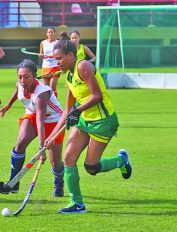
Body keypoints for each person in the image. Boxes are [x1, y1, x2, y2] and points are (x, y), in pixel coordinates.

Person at [44, 40, 132, 214]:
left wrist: (77, 110)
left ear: (71, 55)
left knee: (91, 167)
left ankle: (121, 160)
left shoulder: (83, 66)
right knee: (68, 158)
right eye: (55, 59)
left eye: (60, 58)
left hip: (103, 121)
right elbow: (67, 110)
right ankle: (77, 204)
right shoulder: (69, 76)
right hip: (85, 119)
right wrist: (52, 135)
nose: (57, 62)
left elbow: (97, 96)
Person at [0, 59, 65, 197]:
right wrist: (8, 105)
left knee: (55, 162)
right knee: (20, 142)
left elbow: (41, 122)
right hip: (32, 114)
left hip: (54, 121)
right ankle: (13, 182)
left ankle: (59, 184)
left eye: (26, 77)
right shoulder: (20, 84)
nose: (22, 80)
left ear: (34, 76)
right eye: (20, 76)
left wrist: (41, 148)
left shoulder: (41, 93)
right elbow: (17, 91)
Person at [39, 27, 61, 97]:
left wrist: (55, 56)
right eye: (49, 32)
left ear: (54, 33)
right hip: (45, 67)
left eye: (52, 32)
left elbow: (60, 54)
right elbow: (41, 53)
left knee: (52, 85)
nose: (50, 33)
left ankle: (55, 102)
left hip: (55, 66)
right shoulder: (43, 42)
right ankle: (47, 103)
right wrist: (41, 55)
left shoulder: (58, 43)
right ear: (46, 34)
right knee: (45, 87)